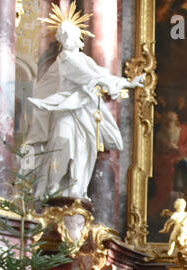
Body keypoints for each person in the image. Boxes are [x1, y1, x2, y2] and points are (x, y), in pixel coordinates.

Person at [23, 14, 144, 201]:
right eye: (64, 36)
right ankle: (54, 184)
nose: (67, 39)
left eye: (70, 35)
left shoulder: (83, 59)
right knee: (62, 140)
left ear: (76, 37)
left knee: (82, 150)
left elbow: (100, 74)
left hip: (84, 110)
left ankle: (76, 189)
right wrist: (123, 83)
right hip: (65, 108)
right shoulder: (66, 59)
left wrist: (128, 83)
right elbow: (90, 77)